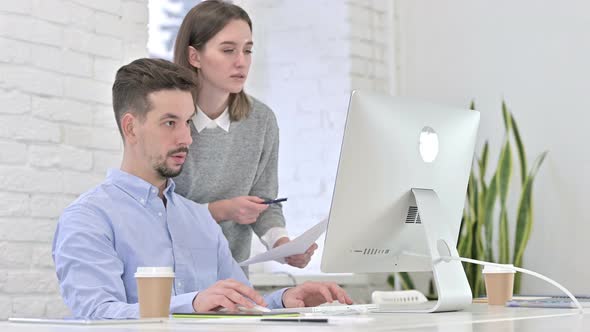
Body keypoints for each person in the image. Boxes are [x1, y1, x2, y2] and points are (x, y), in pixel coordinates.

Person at [52, 58, 352, 319]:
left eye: (187, 122)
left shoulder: (197, 219)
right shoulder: (88, 218)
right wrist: (193, 303)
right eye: (170, 123)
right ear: (131, 127)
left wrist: (287, 299)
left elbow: (243, 301)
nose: (186, 138)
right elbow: (95, 314)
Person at [172, 0, 316, 273]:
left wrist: (281, 244)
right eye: (228, 50)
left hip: (232, 281)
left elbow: (264, 201)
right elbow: (154, 212)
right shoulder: (170, 120)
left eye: (247, 50)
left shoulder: (261, 121)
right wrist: (221, 210)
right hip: (172, 280)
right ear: (195, 57)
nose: (241, 62)